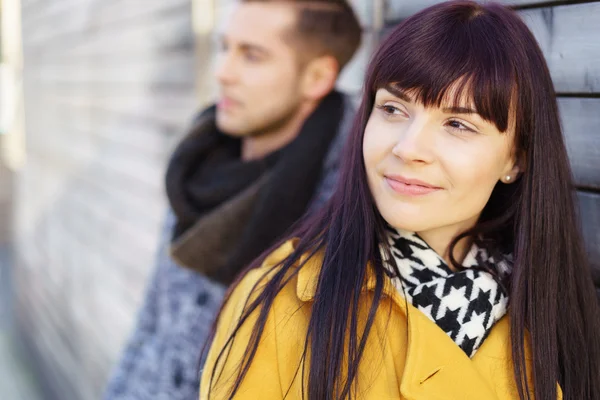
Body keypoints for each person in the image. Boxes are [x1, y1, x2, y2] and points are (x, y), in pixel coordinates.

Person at [200, 2, 600, 399]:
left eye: (458, 124)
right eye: (392, 108)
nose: (409, 148)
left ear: (515, 157)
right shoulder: (280, 304)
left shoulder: (549, 314)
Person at [103, 1, 361, 399]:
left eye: (252, 56)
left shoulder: (346, 208)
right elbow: (153, 324)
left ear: (317, 76)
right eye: (225, 48)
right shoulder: (197, 166)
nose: (223, 73)